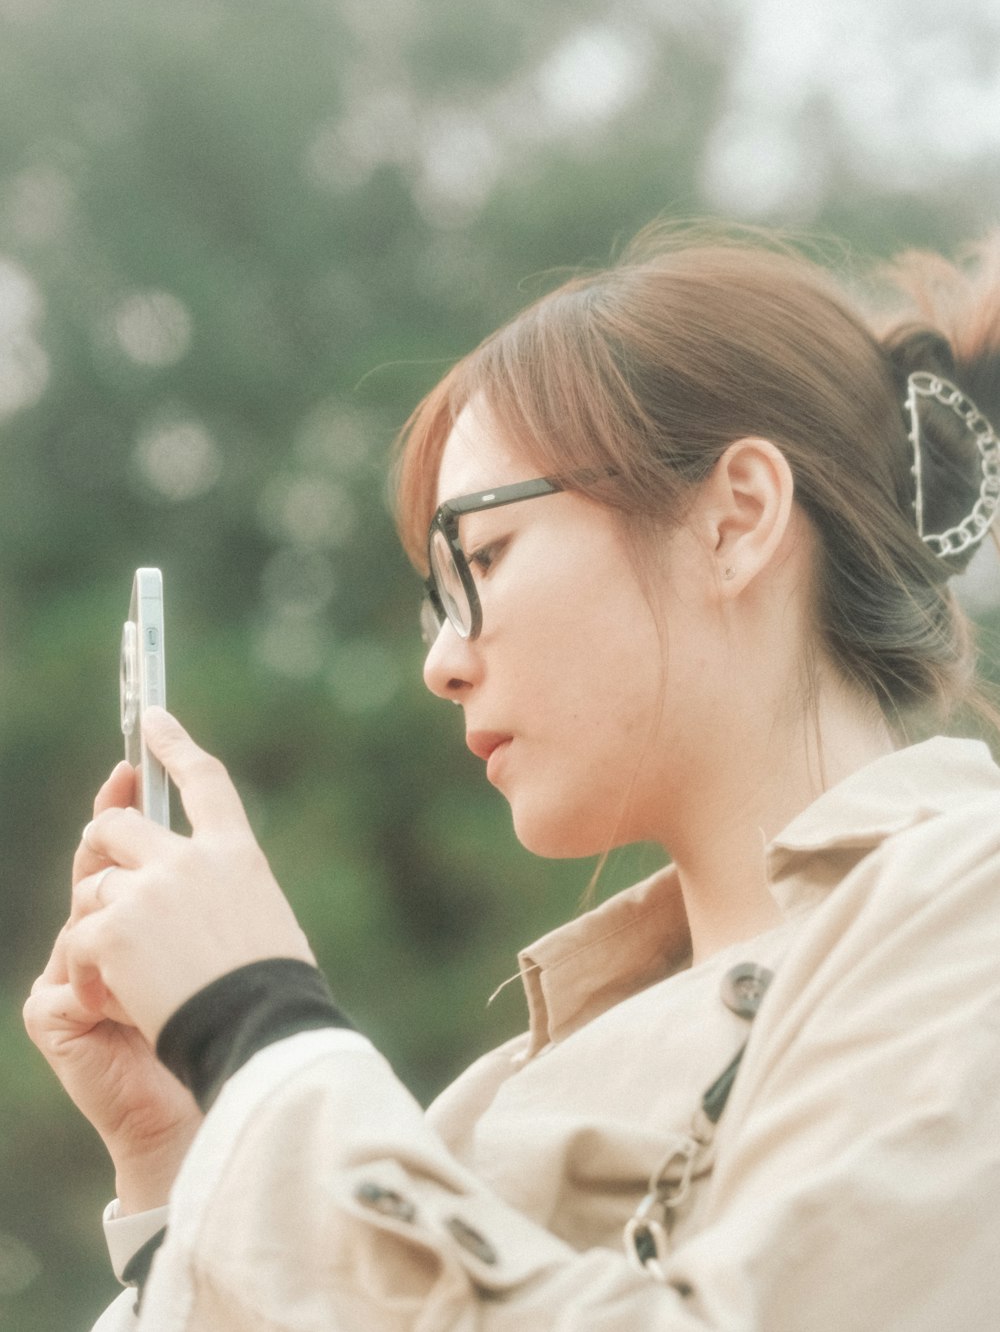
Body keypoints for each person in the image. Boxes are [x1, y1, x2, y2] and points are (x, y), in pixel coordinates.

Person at [23, 226, 1000, 1331]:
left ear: (734, 519)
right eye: (437, 596)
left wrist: (256, 1028)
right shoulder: (486, 1099)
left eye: (482, 559)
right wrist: (184, 1166)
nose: (441, 662)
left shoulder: (968, 911)